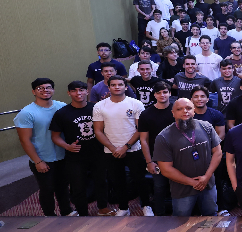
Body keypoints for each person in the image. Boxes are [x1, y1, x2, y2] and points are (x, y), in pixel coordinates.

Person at [152, 98, 222, 216]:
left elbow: (218, 152)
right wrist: (191, 182)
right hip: (182, 190)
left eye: (189, 108)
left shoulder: (207, 126)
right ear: (173, 113)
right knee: (181, 222)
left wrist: (206, 176)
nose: (185, 111)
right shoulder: (163, 137)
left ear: (194, 111)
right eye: (179, 109)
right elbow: (166, 169)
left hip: (208, 185)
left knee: (211, 216)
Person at [92, 76, 150, 216]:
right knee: (117, 181)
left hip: (133, 149)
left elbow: (140, 129)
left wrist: (125, 147)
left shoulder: (136, 104)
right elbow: (98, 131)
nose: (117, 87)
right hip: (111, 151)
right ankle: (123, 208)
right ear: (109, 87)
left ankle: (146, 206)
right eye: (113, 85)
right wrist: (113, 148)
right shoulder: (99, 106)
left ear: (126, 87)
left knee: (140, 179)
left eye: (120, 84)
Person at [15, 78, 72, 216]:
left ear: (53, 90)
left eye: (48, 87)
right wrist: (38, 161)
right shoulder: (26, 113)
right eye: (40, 88)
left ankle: (67, 212)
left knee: (63, 187)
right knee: (47, 189)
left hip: (62, 156)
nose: (45, 90)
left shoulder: (62, 106)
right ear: (33, 91)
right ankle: (49, 216)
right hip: (42, 158)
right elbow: (25, 140)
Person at [49, 81, 107, 216]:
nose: (78, 93)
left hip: (98, 153)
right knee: (78, 186)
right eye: (74, 91)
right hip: (75, 156)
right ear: (69, 93)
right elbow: (55, 136)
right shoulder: (62, 113)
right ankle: (82, 213)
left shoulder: (97, 108)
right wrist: (67, 146)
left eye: (81, 90)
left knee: (101, 182)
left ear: (87, 91)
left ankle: (103, 208)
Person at [137, 81, 174, 216]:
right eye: (158, 92)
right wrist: (149, 161)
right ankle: (159, 217)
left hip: (178, 157)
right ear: (154, 95)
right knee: (159, 188)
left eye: (165, 92)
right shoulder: (146, 114)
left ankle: (181, 216)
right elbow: (143, 140)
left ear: (170, 93)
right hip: (157, 158)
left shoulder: (178, 111)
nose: (162, 95)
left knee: (180, 188)